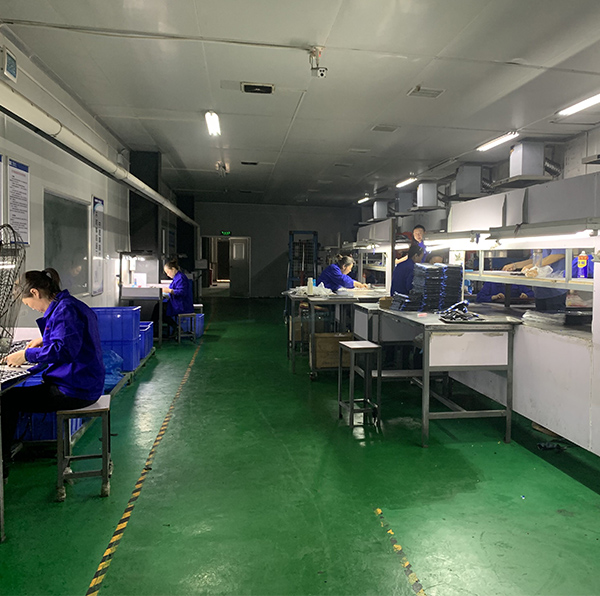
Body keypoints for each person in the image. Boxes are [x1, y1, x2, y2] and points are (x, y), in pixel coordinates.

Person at [1, 268, 105, 480]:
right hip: (83, 382)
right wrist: (44, 340)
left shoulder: (65, 311)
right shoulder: (67, 305)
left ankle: (2, 462)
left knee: (7, 401)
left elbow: (64, 350)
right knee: (13, 397)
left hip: (75, 389)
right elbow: (69, 338)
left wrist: (26, 355)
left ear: (35, 292)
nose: (32, 308)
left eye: (28, 303)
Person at [502, 249, 567, 311]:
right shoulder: (536, 242)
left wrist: (534, 266)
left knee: (554, 317)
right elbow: (534, 260)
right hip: (539, 290)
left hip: (555, 288)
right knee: (540, 317)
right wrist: (515, 265)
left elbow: (559, 254)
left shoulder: (557, 241)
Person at [153, 260, 194, 336]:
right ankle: (174, 327)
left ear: (173, 269)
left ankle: (174, 327)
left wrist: (169, 291)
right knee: (159, 308)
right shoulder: (177, 277)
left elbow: (182, 292)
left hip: (182, 305)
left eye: (168, 272)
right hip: (177, 302)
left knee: (159, 309)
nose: (168, 275)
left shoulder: (180, 278)